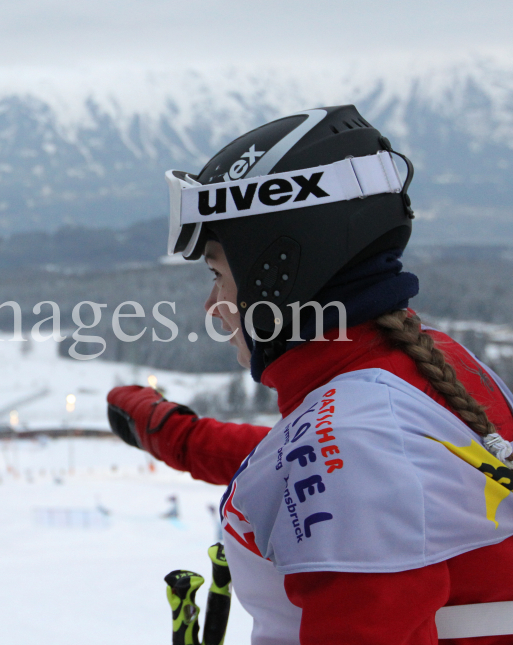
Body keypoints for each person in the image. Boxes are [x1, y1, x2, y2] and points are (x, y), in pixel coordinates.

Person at [106, 105, 513, 644]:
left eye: (217, 274)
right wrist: (181, 438)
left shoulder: (360, 439)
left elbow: (344, 471)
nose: (212, 304)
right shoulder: (417, 366)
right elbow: (326, 467)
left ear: (277, 273)